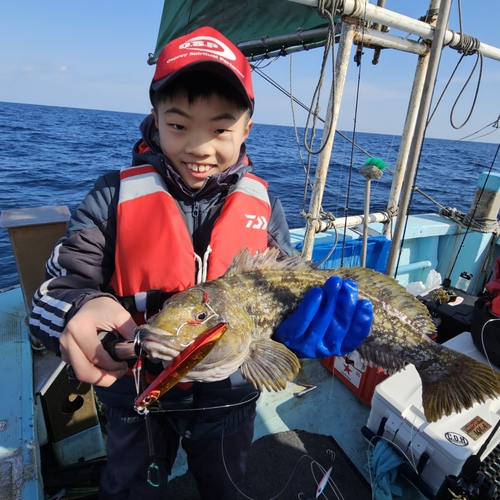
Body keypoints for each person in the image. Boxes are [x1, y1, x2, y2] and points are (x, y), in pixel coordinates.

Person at [29, 26, 373, 500]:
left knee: (225, 486)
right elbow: (52, 293)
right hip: (134, 394)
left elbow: (286, 279)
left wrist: (303, 324)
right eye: (178, 125)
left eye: (220, 128)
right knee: (130, 488)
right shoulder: (112, 196)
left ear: (246, 128)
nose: (199, 146)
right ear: (154, 118)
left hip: (229, 397)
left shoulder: (264, 204)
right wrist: (76, 311)